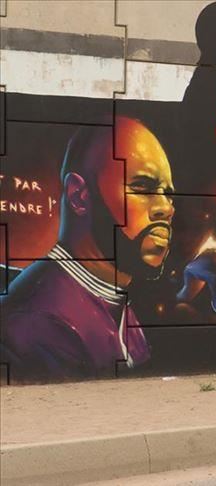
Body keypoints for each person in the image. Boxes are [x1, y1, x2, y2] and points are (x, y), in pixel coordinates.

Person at [0, 117, 175, 381]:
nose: (166, 208)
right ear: (78, 196)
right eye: (141, 187)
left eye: (168, 194)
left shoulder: (112, 299)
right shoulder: (40, 321)